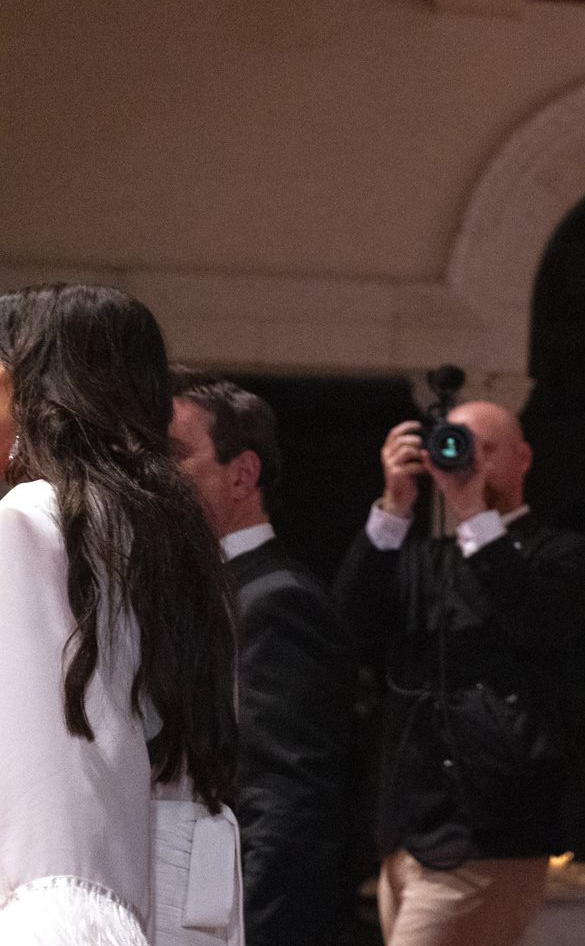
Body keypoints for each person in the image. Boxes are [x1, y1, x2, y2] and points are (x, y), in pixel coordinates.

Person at [0, 283, 243, 943]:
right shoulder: (173, 523)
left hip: (76, 900)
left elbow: (49, 775)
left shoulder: (34, 519)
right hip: (178, 886)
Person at [334, 399, 585, 946]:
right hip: (407, 834)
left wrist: (474, 513)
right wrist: (393, 507)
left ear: (523, 458)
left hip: (491, 837)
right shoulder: (427, 558)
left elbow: (538, 624)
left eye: (487, 449)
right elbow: (349, 630)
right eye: (457, 445)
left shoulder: (559, 553)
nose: (468, 460)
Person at [171, 367, 358, 945]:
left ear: (243, 473)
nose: (152, 476)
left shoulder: (277, 599)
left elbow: (286, 802)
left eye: (174, 455)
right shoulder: (207, 588)